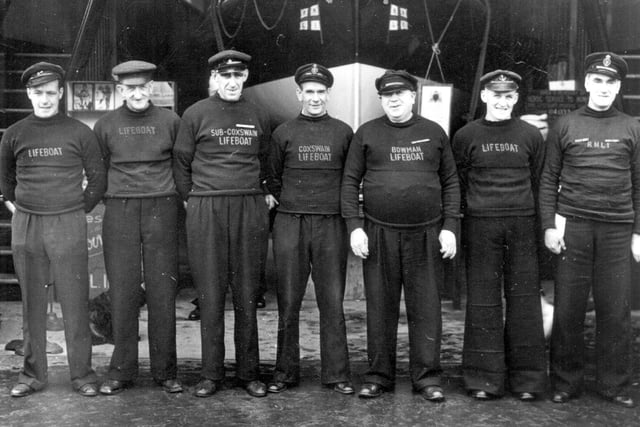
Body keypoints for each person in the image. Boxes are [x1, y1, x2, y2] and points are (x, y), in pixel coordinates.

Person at [341, 69, 460, 401]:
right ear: (381, 99)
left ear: (412, 97)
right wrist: (355, 227)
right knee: (380, 308)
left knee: (426, 308)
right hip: (379, 233)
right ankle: (379, 376)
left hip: (426, 234)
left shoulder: (434, 132)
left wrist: (450, 226)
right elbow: (350, 182)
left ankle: (427, 378)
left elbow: (451, 182)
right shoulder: (366, 133)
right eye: (387, 95)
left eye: (400, 94)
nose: (394, 100)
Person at [539, 52, 640, 408]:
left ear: (617, 87)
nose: (603, 88)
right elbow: (549, 178)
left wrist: (638, 232)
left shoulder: (633, 126)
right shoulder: (565, 125)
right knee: (568, 308)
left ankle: (614, 384)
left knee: (615, 310)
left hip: (616, 228)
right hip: (574, 227)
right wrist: (550, 225)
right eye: (597, 81)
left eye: (610, 82)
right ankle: (566, 383)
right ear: (587, 84)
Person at [0, 62, 106, 397]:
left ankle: (83, 376)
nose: (44, 99)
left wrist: (77, 208)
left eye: (50, 93)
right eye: (38, 93)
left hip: (68, 221)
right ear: (29, 93)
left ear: (60, 93)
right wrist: (20, 206)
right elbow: (5, 181)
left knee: (74, 301)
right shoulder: (14, 133)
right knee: (32, 301)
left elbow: (98, 179)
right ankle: (32, 375)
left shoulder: (79, 132)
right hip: (28, 223)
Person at [173, 50, 274, 398]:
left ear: (245, 77)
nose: (232, 82)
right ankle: (211, 374)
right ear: (215, 78)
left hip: (248, 204)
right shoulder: (196, 113)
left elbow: (265, 161)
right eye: (225, 76)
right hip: (207, 207)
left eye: (238, 75)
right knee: (211, 294)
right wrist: (195, 200)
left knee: (247, 292)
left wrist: (260, 195)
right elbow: (181, 163)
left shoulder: (259, 113)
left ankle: (249, 373)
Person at [452, 69, 547, 401]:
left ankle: (528, 381)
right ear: (484, 97)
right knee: (482, 300)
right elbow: (460, 181)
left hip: (522, 224)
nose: (502, 102)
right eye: (496, 95)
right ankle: (483, 379)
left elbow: (538, 180)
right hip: (481, 225)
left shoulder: (531, 135)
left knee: (524, 303)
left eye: (509, 96)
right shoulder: (466, 136)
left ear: (516, 99)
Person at [93, 60, 183, 395]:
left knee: (162, 290)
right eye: (130, 88)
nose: (137, 93)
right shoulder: (105, 124)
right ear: (120, 90)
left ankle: (166, 371)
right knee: (123, 291)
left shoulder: (170, 121)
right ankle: (121, 370)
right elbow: (99, 169)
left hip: (162, 207)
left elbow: (181, 163)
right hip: (120, 209)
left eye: (143, 86)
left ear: (151, 87)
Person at [266, 63, 354, 394]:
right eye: (309, 92)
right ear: (299, 94)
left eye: (321, 92)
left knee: (332, 301)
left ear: (328, 94)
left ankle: (337, 374)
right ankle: (285, 373)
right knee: (288, 301)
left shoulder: (344, 132)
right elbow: (273, 177)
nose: (315, 98)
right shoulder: (283, 132)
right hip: (292, 222)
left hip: (331, 223)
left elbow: (350, 177)